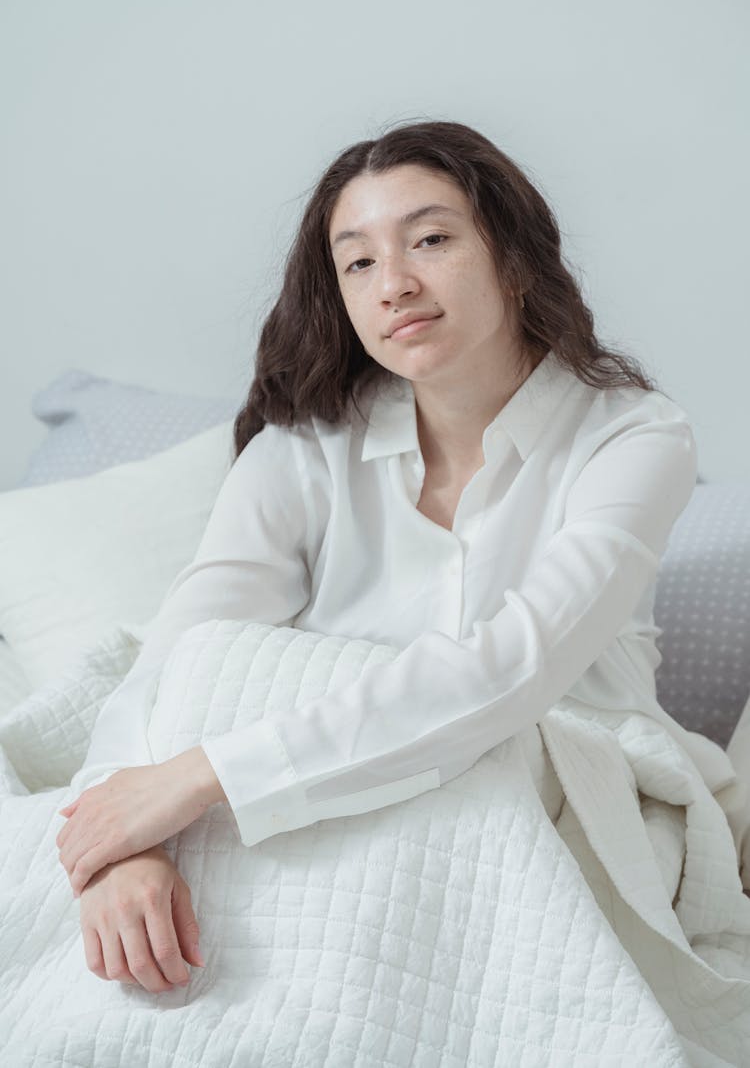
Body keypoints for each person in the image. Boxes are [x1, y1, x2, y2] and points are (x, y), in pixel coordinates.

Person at [54, 119, 711, 996]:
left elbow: (510, 671)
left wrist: (202, 779)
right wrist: (118, 839)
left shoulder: (634, 437)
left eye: (431, 240)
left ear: (514, 259)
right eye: (357, 261)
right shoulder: (300, 452)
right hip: (305, 811)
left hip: (557, 797)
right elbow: (176, 657)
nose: (394, 284)